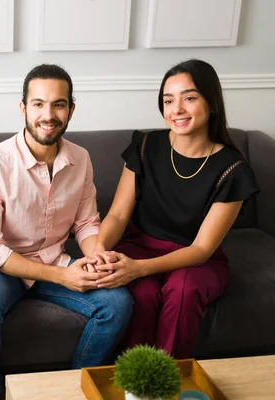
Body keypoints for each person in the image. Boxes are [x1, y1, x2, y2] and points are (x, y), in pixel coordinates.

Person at [0, 64, 133, 400]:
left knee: (118, 303)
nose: (48, 114)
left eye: (58, 104)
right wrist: (60, 276)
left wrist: (96, 255)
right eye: (38, 104)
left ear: (71, 109)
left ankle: (72, 388)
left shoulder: (81, 159)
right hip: (3, 265)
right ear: (23, 108)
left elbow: (86, 223)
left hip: (56, 257)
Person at [91, 59, 260, 359]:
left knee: (183, 290)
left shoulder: (233, 169)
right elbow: (117, 214)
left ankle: (165, 379)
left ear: (212, 103)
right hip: (140, 245)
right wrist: (100, 250)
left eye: (189, 98)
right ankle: (132, 381)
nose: (177, 109)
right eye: (168, 100)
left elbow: (202, 248)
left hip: (194, 260)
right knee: (141, 294)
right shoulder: (146, 146)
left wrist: (138, 269)